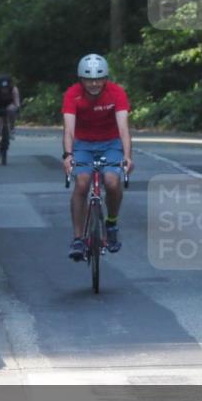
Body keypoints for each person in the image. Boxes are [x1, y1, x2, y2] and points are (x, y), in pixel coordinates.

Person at [61, 54, 133, 260]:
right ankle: (77, 239)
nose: (94, 83)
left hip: (111, 143)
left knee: (111, 182)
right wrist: (68, 155)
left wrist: (127, 157)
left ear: (106, 78)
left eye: (98, 78)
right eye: (88, 79)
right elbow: (68, 130)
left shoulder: (116, 92)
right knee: (82, 184)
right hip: (83, 144)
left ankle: (111, 223)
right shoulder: (72, 94)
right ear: (80, 79)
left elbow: (123, 128)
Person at [0, 75, 21, 160]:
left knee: (11, 109)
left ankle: (12, 128)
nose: (5, 90)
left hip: (9, 106)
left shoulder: (14, 89)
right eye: (3, 88)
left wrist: (17, 109)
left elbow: (17, 103)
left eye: (6, 88)